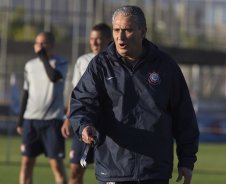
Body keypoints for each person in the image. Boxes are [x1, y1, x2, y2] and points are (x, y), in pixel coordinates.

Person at [69, 5, 199, 184]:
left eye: (128, 30)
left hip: (154, 170)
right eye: (116, 30)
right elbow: (82, 102)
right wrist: (84, 125)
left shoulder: (165, 66)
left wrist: (187, 160)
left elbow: (184, 116)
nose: (120, 37)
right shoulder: (100, 65)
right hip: (113, 167)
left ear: (142, 31)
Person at [61, 23, 112, 184]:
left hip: (107, 125)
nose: (95, 42)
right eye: (92, 39)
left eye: (99, 39)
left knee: (107, 174)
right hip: (84, 123)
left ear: (109, 39)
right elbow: (75, 94)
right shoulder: (82, 61)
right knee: (75, 170)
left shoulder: (115, 61)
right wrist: (69, 118)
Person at [16, 32, 68, 184]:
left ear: (51, 45)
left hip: (52, 121)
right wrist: (20, 121)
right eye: (37, 43)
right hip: (31, 121)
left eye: (43, 43)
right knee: (26, 164)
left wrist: (43, 57)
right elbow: (25, 93)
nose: (39, 46)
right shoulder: (29, 65)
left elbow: (53, 77)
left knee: (56, 166)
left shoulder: (61, 63)